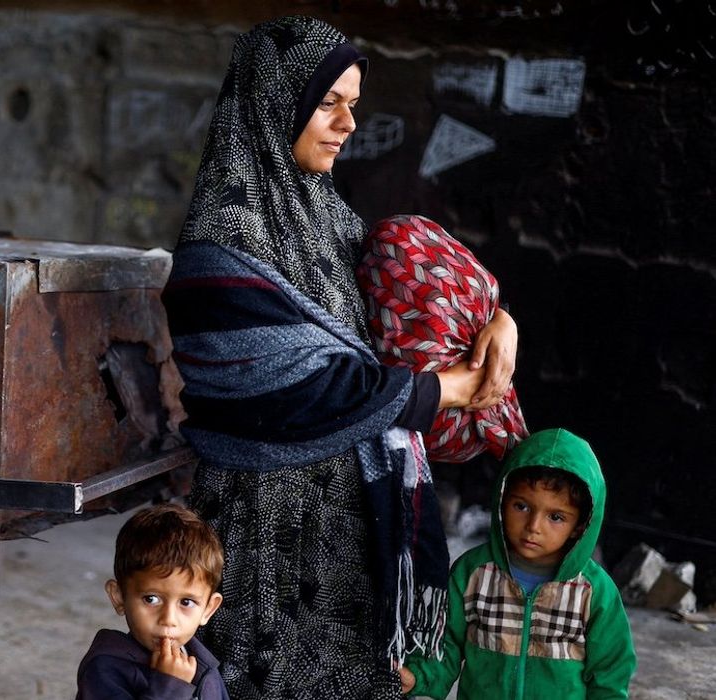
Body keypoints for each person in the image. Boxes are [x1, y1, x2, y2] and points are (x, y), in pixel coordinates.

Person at [161, 15, 519, 698]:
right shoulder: (220, 240)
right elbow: (287, 390)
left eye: (353, 104)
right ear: (276, 102)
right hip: (265, 533)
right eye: (329, 103)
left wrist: (496, 316)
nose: (349, 124)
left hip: (350, 527)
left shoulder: (329, 217)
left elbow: (413, 306)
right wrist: (439, 392)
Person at [400, 428, 636, 698]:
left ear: (579, 526)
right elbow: (445, 645)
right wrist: (418, 675)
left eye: (556, 517)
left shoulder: (594, 592)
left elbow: (610, 672)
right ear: (501, 501)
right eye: (521, 506)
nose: (533, 527)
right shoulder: (472, 573)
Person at [75, 503, 230, 700]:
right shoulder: (104, 669)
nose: (168, 619)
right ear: (119, 597)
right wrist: (170, 687)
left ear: (208, 609)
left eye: (186, 602)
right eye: (151, 599)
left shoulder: (206, 668)